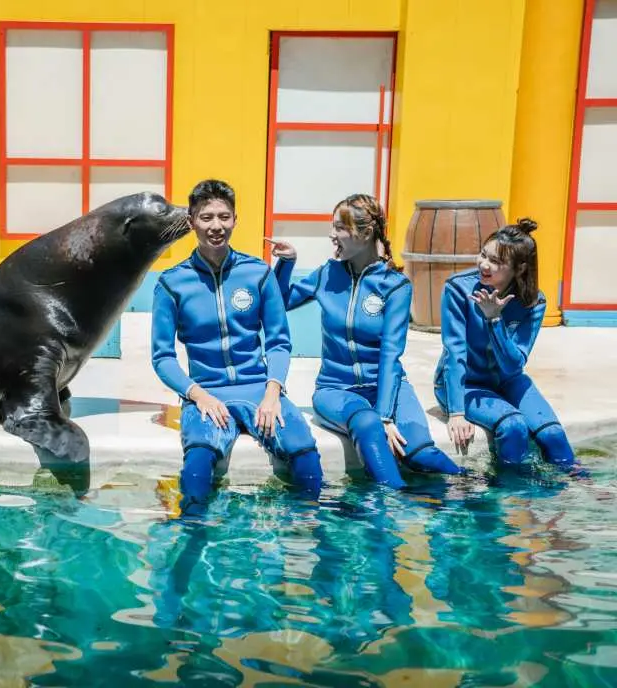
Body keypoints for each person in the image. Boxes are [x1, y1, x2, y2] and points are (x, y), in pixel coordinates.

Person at [268, 193, 463, 489]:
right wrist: (286, 264)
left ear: (366, 233)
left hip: (388, 387)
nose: (332, 235)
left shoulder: (394, 285)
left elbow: (390, 354)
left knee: (421, 454)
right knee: (367, 423)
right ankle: (390, 507)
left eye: (339, 228)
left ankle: (469, 492)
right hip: (336, 390)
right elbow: (278, 302)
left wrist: (385, 415)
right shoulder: (327, 274)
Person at [151, 179, 323, 515]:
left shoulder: (257, 273)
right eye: (206, 217)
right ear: (191, 222)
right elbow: (162, 357)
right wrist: (198, 395)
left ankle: (310, 529)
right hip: (208, 393)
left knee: (304, 453)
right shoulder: (171, 283)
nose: (216, 226)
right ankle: (193, 535)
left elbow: (278, 341)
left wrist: (273, 394)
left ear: (234, 220)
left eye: (224, 216)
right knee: (198, 463)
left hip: (260, 389)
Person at [434, 217, 579, 472]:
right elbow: (454, 353)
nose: (484, 264)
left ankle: (581, 491)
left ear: (519, 268)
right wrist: (457, 412)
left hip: (507, 381)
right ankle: (509, 495)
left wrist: (494, 320)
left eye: (496, 262)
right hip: (463, 384)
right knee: (513, 426)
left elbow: (513, 365)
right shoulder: (458, 289)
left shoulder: (533, 301)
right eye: (483, 255)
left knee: (553, 435)